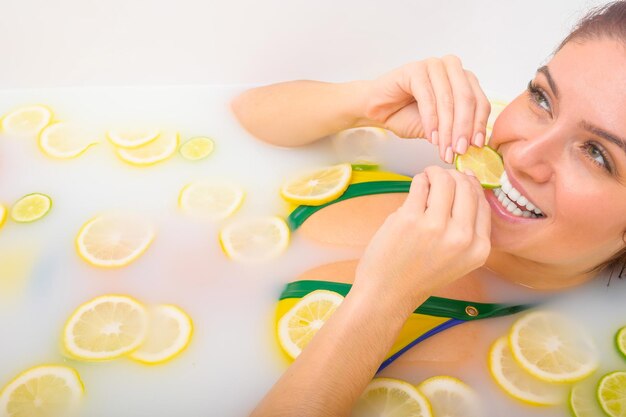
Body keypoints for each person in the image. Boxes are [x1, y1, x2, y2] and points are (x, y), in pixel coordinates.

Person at [231, 2, 626, 416]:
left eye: (597, 155)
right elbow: (241, 114)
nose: (525, 154)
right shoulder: (442, 137)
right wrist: (366, 103)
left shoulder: (519, 382)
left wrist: (385, 299)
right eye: (542, 99)